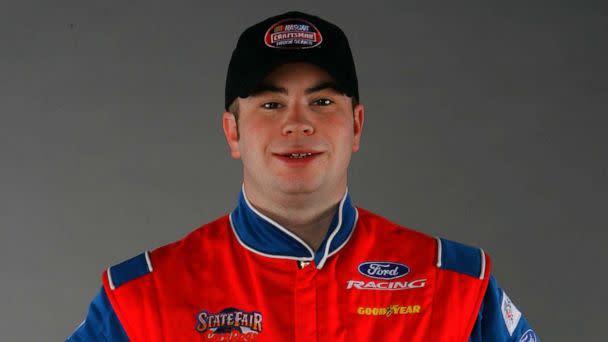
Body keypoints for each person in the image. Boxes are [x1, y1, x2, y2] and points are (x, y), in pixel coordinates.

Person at [67, 11, 538, 341]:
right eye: (271, 104)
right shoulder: (141, 298)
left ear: (356, 125)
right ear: (233, 132)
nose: (298, 123)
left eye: (322, 102)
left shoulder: (454, 285)